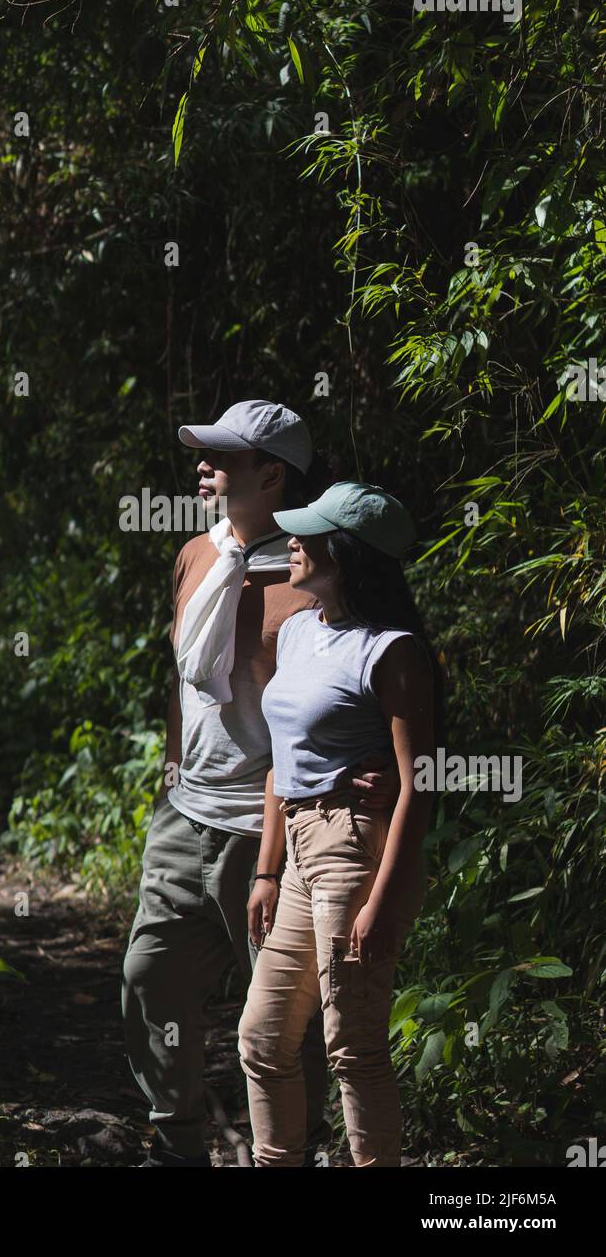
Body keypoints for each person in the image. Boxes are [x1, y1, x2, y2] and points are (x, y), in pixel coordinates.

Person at [121, 404, 400, 1167]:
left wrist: (377, 769)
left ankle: (295, 1150)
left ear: (272, 473)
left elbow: (368, 672)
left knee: (286, 1018)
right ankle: (176, 1143)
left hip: (275, 822)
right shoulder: (194, 555)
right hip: (186, 812)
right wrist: (174, 775)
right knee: (149, 976)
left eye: (222, 455)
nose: (202, 465)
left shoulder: (317, 571)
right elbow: (180, 681)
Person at [237, 481, 442, 1168]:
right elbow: (281, 763)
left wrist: (382, 901)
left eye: (309, 534)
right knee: (262, 1038)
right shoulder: (297, 630)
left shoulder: (392, 650)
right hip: (299, 852)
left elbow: (419, 785)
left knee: (352, 1048)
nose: (292, 541)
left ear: (348, 554)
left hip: (354, 851)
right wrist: (267, 871)